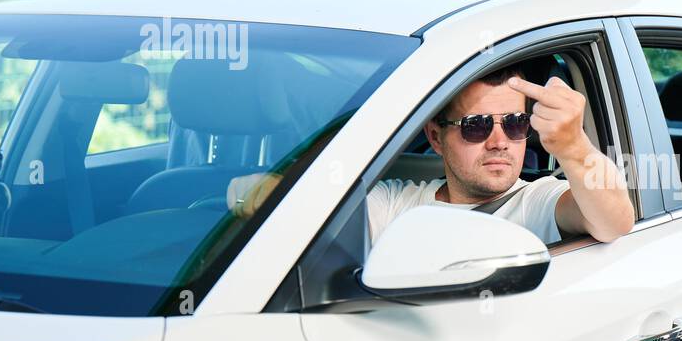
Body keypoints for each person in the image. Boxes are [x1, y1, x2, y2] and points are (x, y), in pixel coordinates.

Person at [228, 67, 635, 246]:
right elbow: (299, 208)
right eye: (476, 125)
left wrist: (572, 146)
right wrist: (246, 191)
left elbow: (615, 221)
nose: (499, 141)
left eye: (514, 123)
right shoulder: (393, 203)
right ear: (436, 138)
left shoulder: (541, 200)